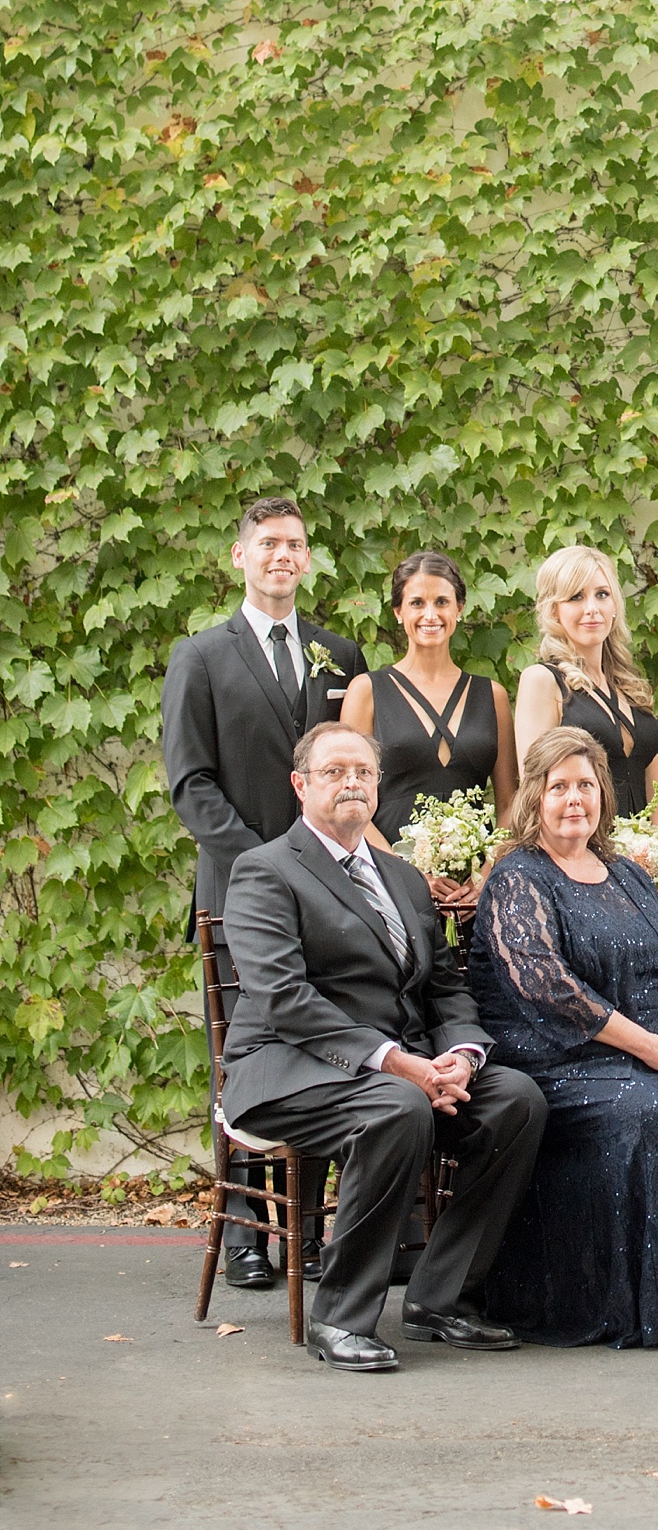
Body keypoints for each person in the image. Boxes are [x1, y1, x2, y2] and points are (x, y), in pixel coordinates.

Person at [218, 722, 547, 1373]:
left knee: (517, 1099)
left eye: (363, 772)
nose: (351, 783)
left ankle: (441, 1297)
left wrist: (461, 1057)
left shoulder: (401, 878)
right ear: (300, 784)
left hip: (407, 1072)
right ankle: (340, 1316)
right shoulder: (264, 870)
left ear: (378, 786)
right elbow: (283, 997)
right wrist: (397, 1062)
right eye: (334, 771)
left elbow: (446, 988)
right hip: (289, 1070)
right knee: (397, 1107)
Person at [468, 728, 658, 1347]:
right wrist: (648, 1048)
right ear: (534, 796)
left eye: (585, 785)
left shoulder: (626, 875)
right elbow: (547, 989)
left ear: (604, 795)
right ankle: (628, 1303)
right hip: (556, 1060)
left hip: (643, 1053)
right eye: (559, 787)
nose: (574, 799)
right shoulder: (517, 877)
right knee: (645, 1112)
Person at [161, 493, 366, 1290]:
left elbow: (350, 768)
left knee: (322, 1049)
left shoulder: (338, 655)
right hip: (239, 890)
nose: (284, 554)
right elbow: (192, 784)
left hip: (333, 895)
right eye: (269, 542)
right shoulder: (200, 656)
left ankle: (310, 1237)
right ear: (239, 556)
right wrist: (270, 866)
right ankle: (249, 1235)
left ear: (307, 559)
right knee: (249, 1060)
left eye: (297, 544)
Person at [340, 550, 519, 926]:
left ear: (460, 609)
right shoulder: (367, 691)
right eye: (417, 603)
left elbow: (510, 800)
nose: (430, 615)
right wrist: (404, 876)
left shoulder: (494, 697)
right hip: (389, 887)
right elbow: (349, 798)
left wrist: (486, 873)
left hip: (474, 894)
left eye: (442, 602)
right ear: (398, 612)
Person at [513, 545, 658, 835]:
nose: (592, 608)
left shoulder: (628, 688)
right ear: (554, 611)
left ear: (614, 607)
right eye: (576, 597)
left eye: (602, 594)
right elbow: (534, 789)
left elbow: (656, 788)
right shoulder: (542, 681)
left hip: (642, 863)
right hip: (578, 857)